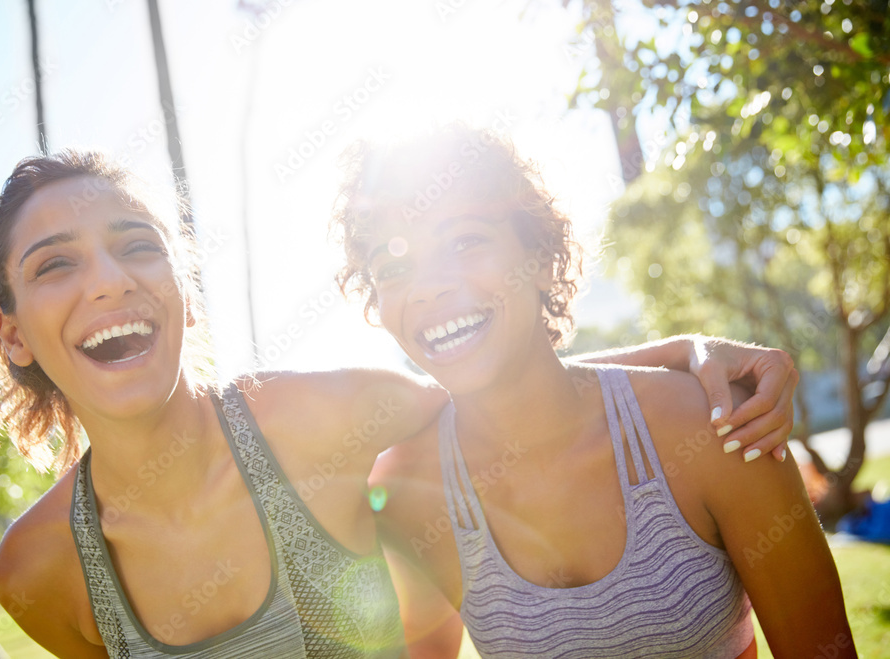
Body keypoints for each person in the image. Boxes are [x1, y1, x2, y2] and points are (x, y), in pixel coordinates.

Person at [0, 149, 796, 657]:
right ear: (14, 336)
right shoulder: (37, 569)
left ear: (180, 291)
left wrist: (686, 357)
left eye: (136, 247)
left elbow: (506, 384)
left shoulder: (324, 423)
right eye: (55, 265)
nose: (110, 280)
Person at [332, 126, 856, 658]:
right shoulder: (409, 496)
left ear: (538, 258)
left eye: (465, 240)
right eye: (394, 267)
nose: (429, 286)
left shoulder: (714, 424)